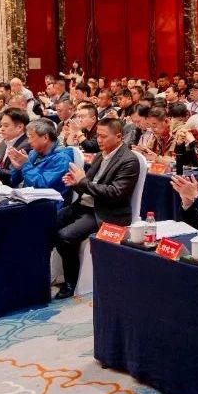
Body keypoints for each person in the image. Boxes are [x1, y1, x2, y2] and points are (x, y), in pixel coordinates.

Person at [53, 118, 141, 298]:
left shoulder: (129, 160)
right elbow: (87, 185)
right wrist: (76, 183)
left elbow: (115, 193)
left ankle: (70, 282)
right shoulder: (101, 155)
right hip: (85, 205)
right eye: (97, 136)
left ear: (119, 137)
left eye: (103, 136)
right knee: (48, 223)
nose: (98, 140)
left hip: (106, 212)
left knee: (65, 237)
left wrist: (82, 182)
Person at [7, 118, 74, 199]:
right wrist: (18, 168)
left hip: (48, 203)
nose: (29, 141)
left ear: (45, 138)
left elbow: (42, 187)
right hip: (27, 199)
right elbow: (13, 182)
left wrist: (25, 165)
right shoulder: (33, 153)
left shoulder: (62, 159)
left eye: (31, 137)